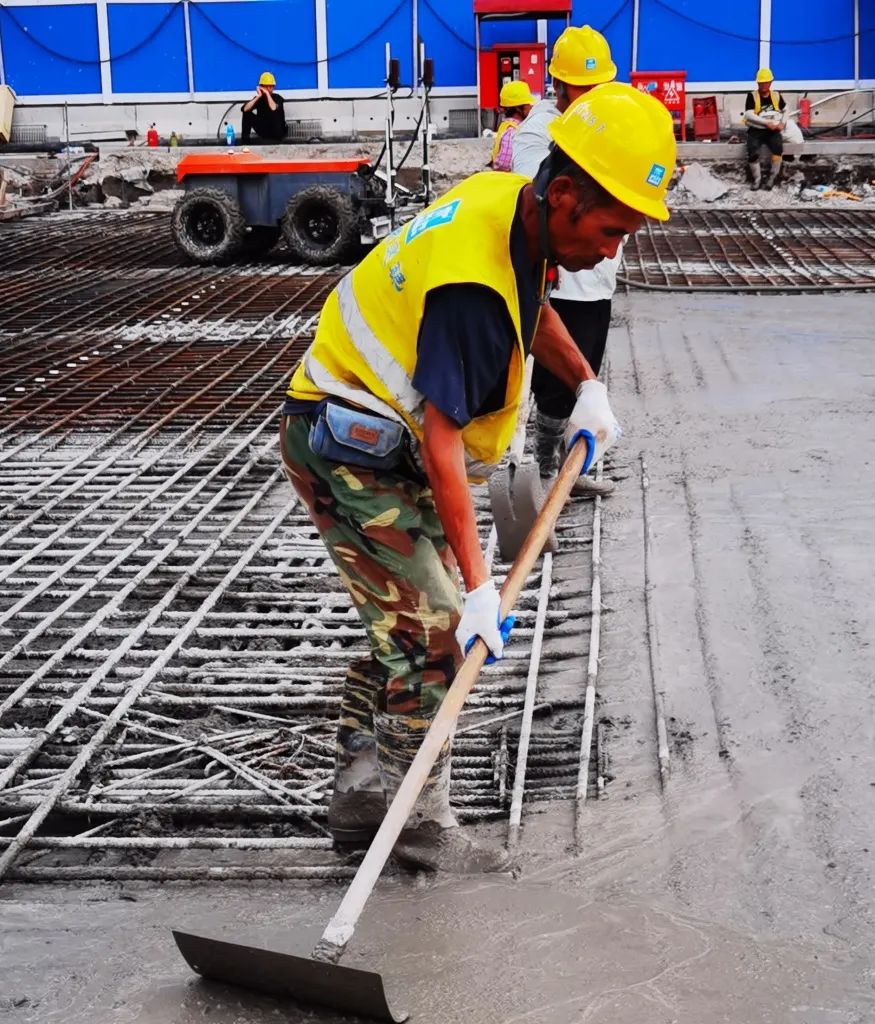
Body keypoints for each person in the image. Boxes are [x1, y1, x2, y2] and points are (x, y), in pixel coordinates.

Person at [281, 83, 676, 873]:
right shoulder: (472, 291)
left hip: (377, 438)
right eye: (610, 230)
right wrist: (478, 586)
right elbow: (442, 440)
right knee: (434, 633)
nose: (611, 253)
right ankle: (418, 822)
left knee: (406, 628)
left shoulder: (510, 202)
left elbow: (532, 306)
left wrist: (585, 383)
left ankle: (362, 796)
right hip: (347, 447)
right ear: (563, 197)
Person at [510, 26, 621, 500]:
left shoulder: (604, 125)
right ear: (559, 86)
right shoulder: (539, 132)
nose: (593, 98)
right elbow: (537, 195)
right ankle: (546, 468)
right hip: (560, 279)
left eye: (600, 89)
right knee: (556, 379)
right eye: (584, 89)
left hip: (598, 276)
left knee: (586, 370)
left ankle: (567, 470)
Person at [743, 67, 787, 190]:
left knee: (778, 148)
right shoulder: (752, 96)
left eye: (766, 83)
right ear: (757, 83)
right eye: (761, 83)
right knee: (752, 150)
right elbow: (749, 114)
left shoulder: (776, 95)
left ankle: (772, 178)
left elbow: (786, 110)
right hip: (756, 130)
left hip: (772, 130)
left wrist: (782, 123)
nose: (763, 85)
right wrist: (767, 123)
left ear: (770, 82)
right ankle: (757, 179)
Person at [490, 79, 536, 172]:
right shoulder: (512, 132)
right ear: (518, 108)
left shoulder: (507, 125)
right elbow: (503, 165)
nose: (531, 107)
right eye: (527, 105)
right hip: (510, 178)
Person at [241, 71, 286, 144]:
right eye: (266, 87)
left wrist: (267, 93)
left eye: (270, 86)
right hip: (264, 130)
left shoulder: (278, 98)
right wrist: (258, 96)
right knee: (247, 113)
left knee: (276, 113)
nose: (268, 89)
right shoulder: (259, 99)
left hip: (277, 132)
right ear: (261, 87)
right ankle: (245, 143)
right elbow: (245, 109)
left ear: (273, 87)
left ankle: (276, 141)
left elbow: (273, 108)